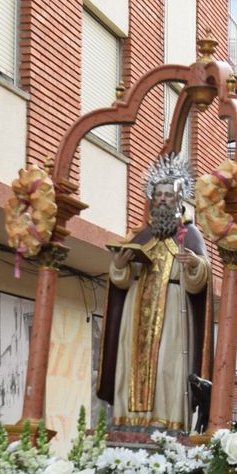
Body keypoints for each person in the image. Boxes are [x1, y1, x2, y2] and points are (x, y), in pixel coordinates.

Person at [95, 155, 211, 439]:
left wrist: (194, 264)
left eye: (168, 196)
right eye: (157, 195)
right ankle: (127, 419)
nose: (162, 201)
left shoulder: (190, 235)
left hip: (173, 310)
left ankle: (167, 421)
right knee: (129, 362)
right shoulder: (140, 235)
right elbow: (120, 279)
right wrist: (120, 266)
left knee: (167, 368)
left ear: (179, 200)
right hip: (136, 310)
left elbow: (202, 282)